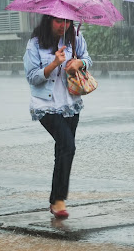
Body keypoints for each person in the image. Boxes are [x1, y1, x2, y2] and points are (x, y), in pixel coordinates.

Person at [23, 15, 92, 219]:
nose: (64, 25)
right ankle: (59, 199)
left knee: (63, 150)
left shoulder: (76, 38)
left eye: (68, 21)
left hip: (71, 103)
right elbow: (32, 77)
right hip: (46, 105)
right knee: (68, 146)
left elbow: (88, 59)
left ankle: (55, 200)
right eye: (58, 21)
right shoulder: (35, 44)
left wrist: (79, 63)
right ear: (48, 21)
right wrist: (54, 64)